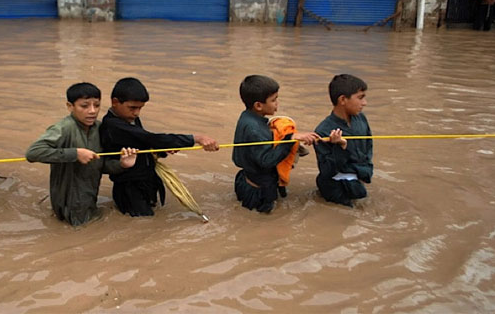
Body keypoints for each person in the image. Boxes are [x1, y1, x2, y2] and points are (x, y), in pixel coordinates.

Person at [100, 77, 219, 217]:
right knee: (143, 223)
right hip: (130, 188)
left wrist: (163, 149)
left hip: (146, 180)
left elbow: (143, 142)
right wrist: (196, 138)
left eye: (140, 108)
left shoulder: (130, 118)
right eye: (132, 108)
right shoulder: (112, 126)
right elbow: (150, 138)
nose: (137, 113)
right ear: (115, 102)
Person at [26, 82, 138, 226]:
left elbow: (100, 165)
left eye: (96, 105)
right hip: (69, 204)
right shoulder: (63, 128)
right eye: (84, 106)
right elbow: (33, 152)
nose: (92, 111)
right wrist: (75, 153)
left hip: (89, 199)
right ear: (70, 106)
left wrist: (122, 164)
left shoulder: (99, 128)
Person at [232, 75, 322, 213]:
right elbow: (267, 161)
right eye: (273, 100)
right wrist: (289, 139)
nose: (277, 103)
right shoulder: (254, 129)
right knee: (265, 223)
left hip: (247, 179)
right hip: (258, 192)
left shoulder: (247, 117)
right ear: (258, 105)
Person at [313, 74, 371, 207]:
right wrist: (340, 147)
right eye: (360, 97)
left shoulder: (361, 119)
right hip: (336, 188)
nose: (365, 103)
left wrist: (366, 172)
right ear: (343, 99)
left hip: (358, 182)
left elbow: (368, 147)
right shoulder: (323, 131)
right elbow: (327, 171)